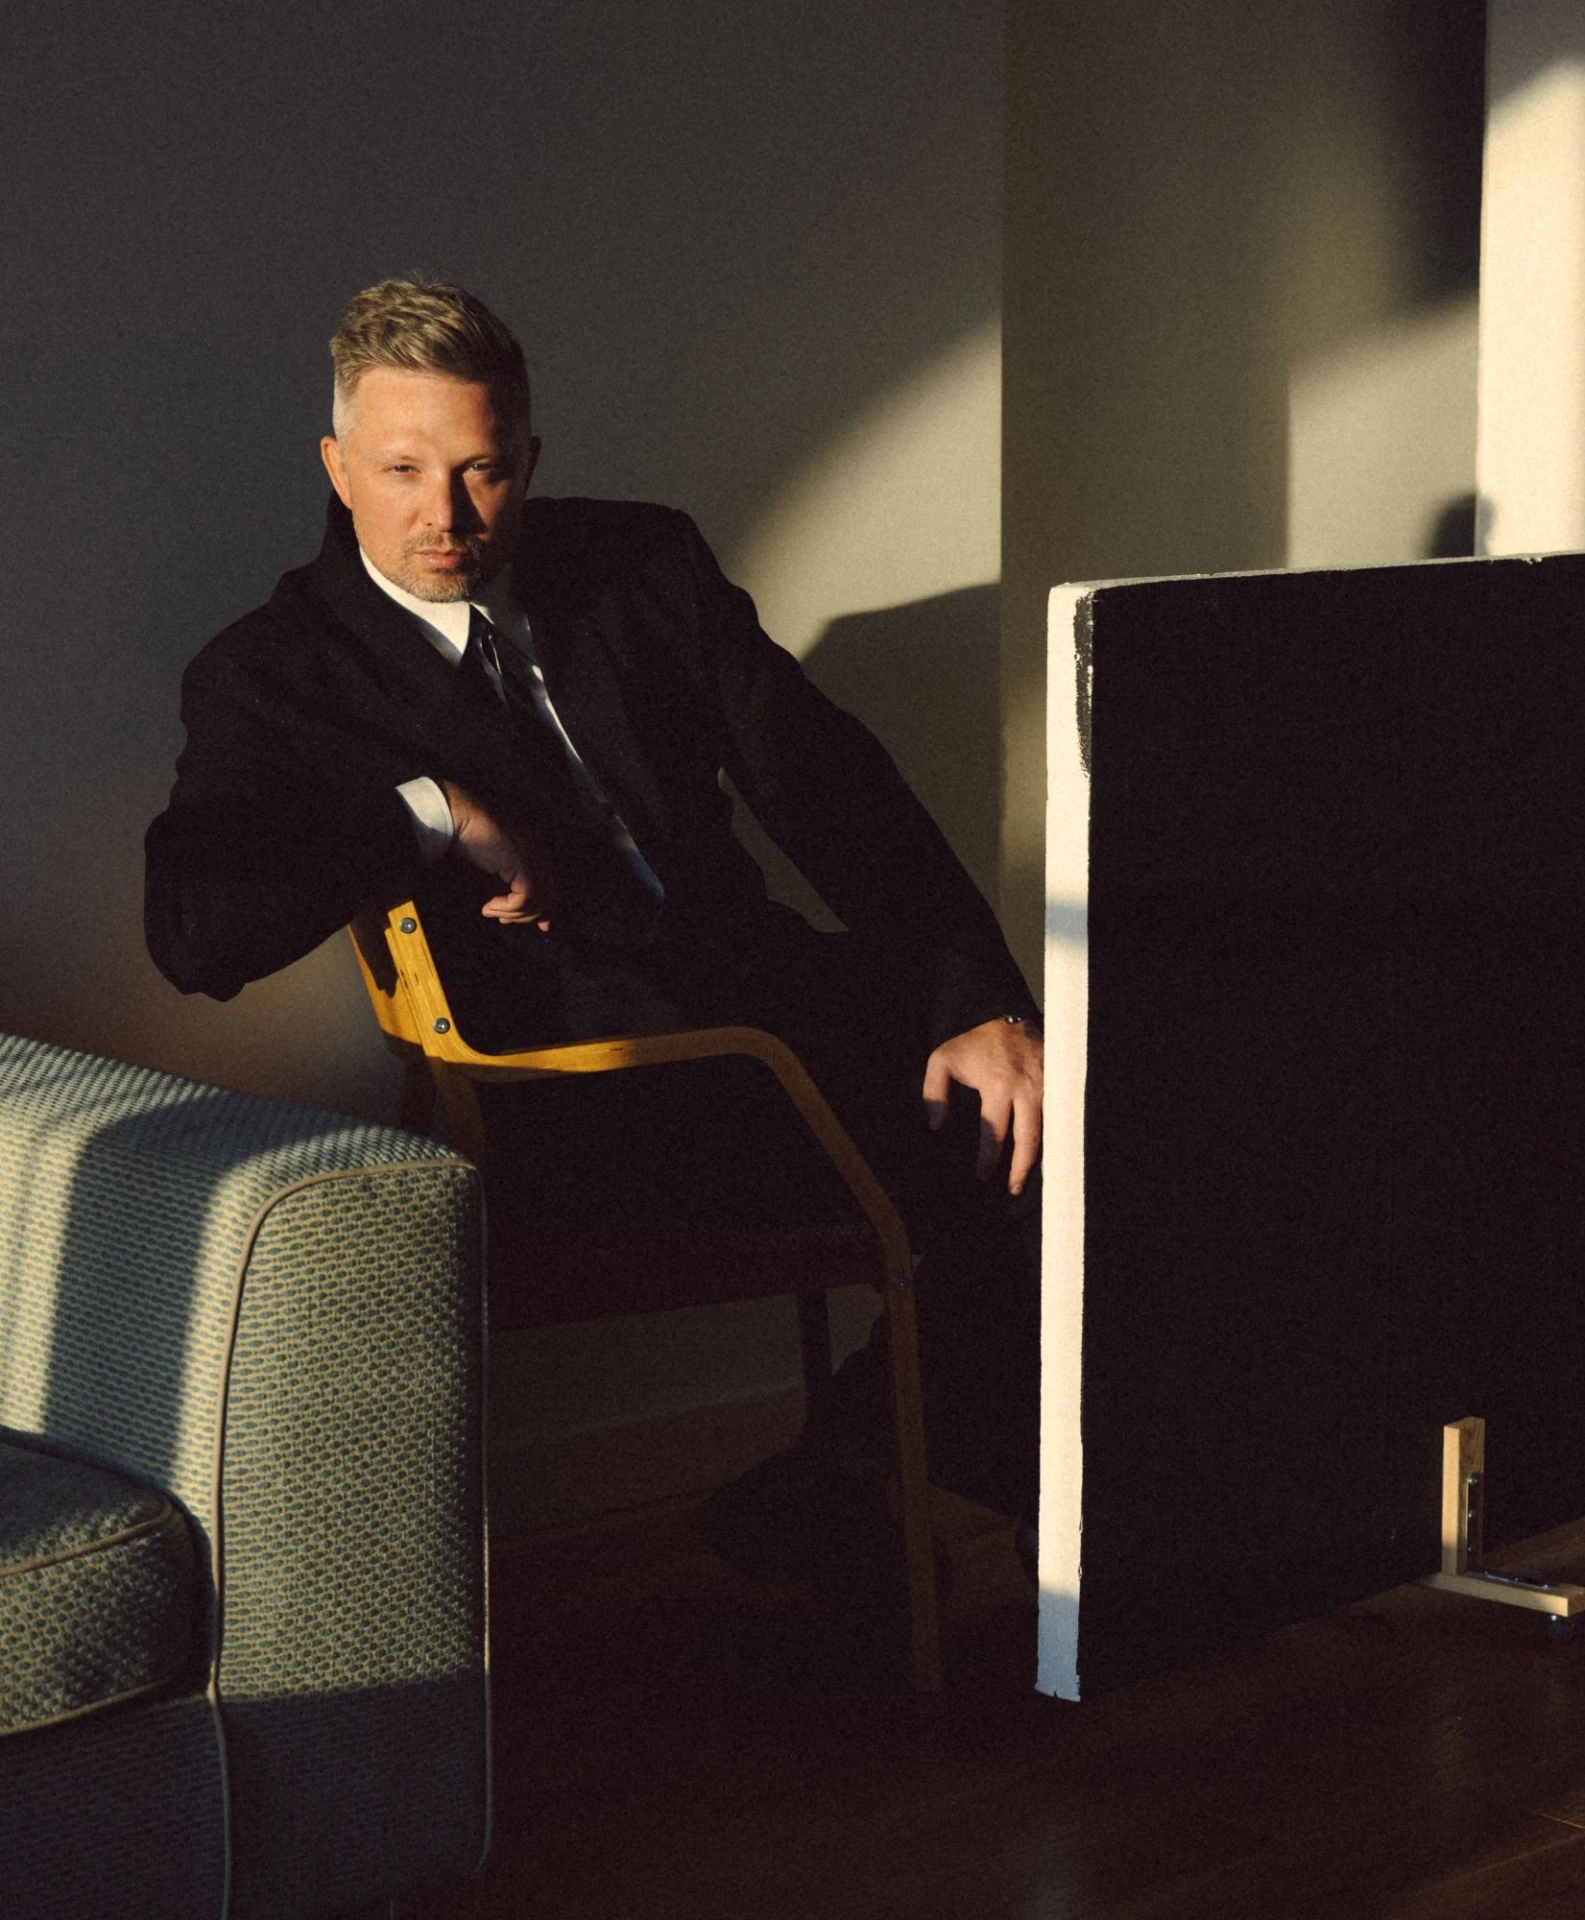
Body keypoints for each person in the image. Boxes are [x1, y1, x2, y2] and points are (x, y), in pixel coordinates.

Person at [144, 278, 1041, 1647]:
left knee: (1059, 1096)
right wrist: (424, 815)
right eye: (402, 471)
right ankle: (947, 1504)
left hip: (778, 1025)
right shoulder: (275, 675)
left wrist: (973, 999)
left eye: (482, 469)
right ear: (336, 467)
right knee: (1019, 1171)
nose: (447, 516)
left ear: (529, 458)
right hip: (583, 1098)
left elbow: (832, 791)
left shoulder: (640, 564)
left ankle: (868, 1477)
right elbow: (193, 932)